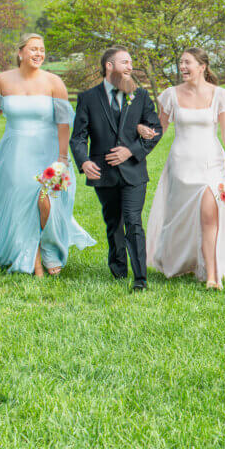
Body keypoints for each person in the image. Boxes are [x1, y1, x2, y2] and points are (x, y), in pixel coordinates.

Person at [0, 34, 96, 276]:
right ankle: (34, 260)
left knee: (47, 201)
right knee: (21, 205)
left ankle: (49, 248)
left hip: (50, 152)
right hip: (14, 154)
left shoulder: (54, 82)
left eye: (41, 49)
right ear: (20, 52)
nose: (38, 53)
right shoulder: (3, 80)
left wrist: (62, 158)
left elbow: (64, 123)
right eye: (33, 49)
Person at [144, 48, 225, 289]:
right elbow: (160, 128)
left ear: (202, 67)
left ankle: (211, 274)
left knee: (211, 214)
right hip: (181, 164)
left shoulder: (219, 95)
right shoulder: (170, 95)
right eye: (180, 62)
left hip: (211, 163)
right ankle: (181, 261)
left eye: (187, 62)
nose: (183, 67)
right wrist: (140, 145)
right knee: (179, 217)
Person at [70, 46, 162, 291]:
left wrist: (132, 150)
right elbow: (78, 137)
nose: (130, 66)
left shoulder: (140, 96)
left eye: (131, 62)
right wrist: (84, 161)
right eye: (125, 62)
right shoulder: (88, 98)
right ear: (109, 66)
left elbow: (156, 130)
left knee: (133, 221)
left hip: (133, 171)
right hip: (104, 172)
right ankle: (118, 268)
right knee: (113, 221)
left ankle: (140, 278)